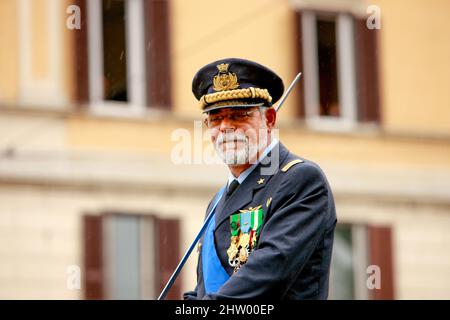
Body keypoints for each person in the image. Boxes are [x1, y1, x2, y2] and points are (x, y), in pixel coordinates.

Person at [183, 58, 337, 300]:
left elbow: (267, 275)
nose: (225, 127)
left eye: (238, 115)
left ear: (269, 120)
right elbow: (206, 290)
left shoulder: (301, 180)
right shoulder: (216, 202)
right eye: (215, 118)